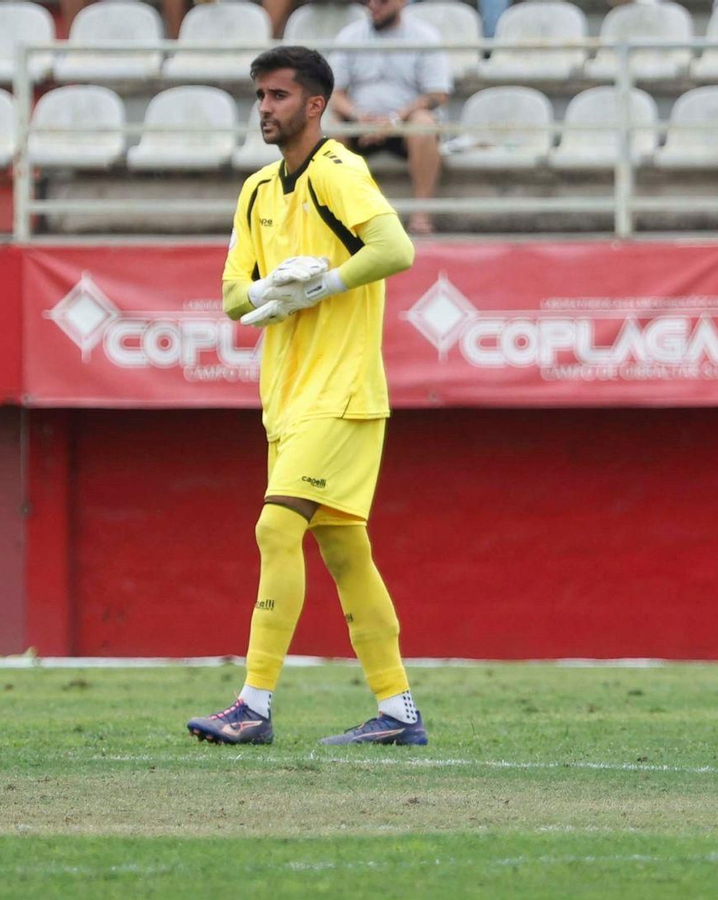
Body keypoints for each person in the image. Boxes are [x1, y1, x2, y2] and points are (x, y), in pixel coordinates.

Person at [188, 46, 420, 746]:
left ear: (314, 105)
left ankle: (253, 705)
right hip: (285, 401)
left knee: (274, 529)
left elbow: (396, 248)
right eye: (259, 96)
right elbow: (232, 296)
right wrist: (269, 291)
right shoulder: (258, 190)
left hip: (343, 394)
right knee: (347, 553)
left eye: (278, 96)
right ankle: (398, 712)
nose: (264, 108)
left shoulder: (339, 170)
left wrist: (325, 284)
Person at [325, 0, 452, 236]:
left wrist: (394, 120)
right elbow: (335, 93)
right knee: (328, 128)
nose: (374, 5)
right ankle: (344, 215)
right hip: (358, 122)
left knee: (424, 124)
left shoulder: (425, 36)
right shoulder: (349, 36)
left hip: (405, 124)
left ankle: (422, 214)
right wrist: (359, 117)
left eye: (382, 1)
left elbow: (437, 94)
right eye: (369, 0)